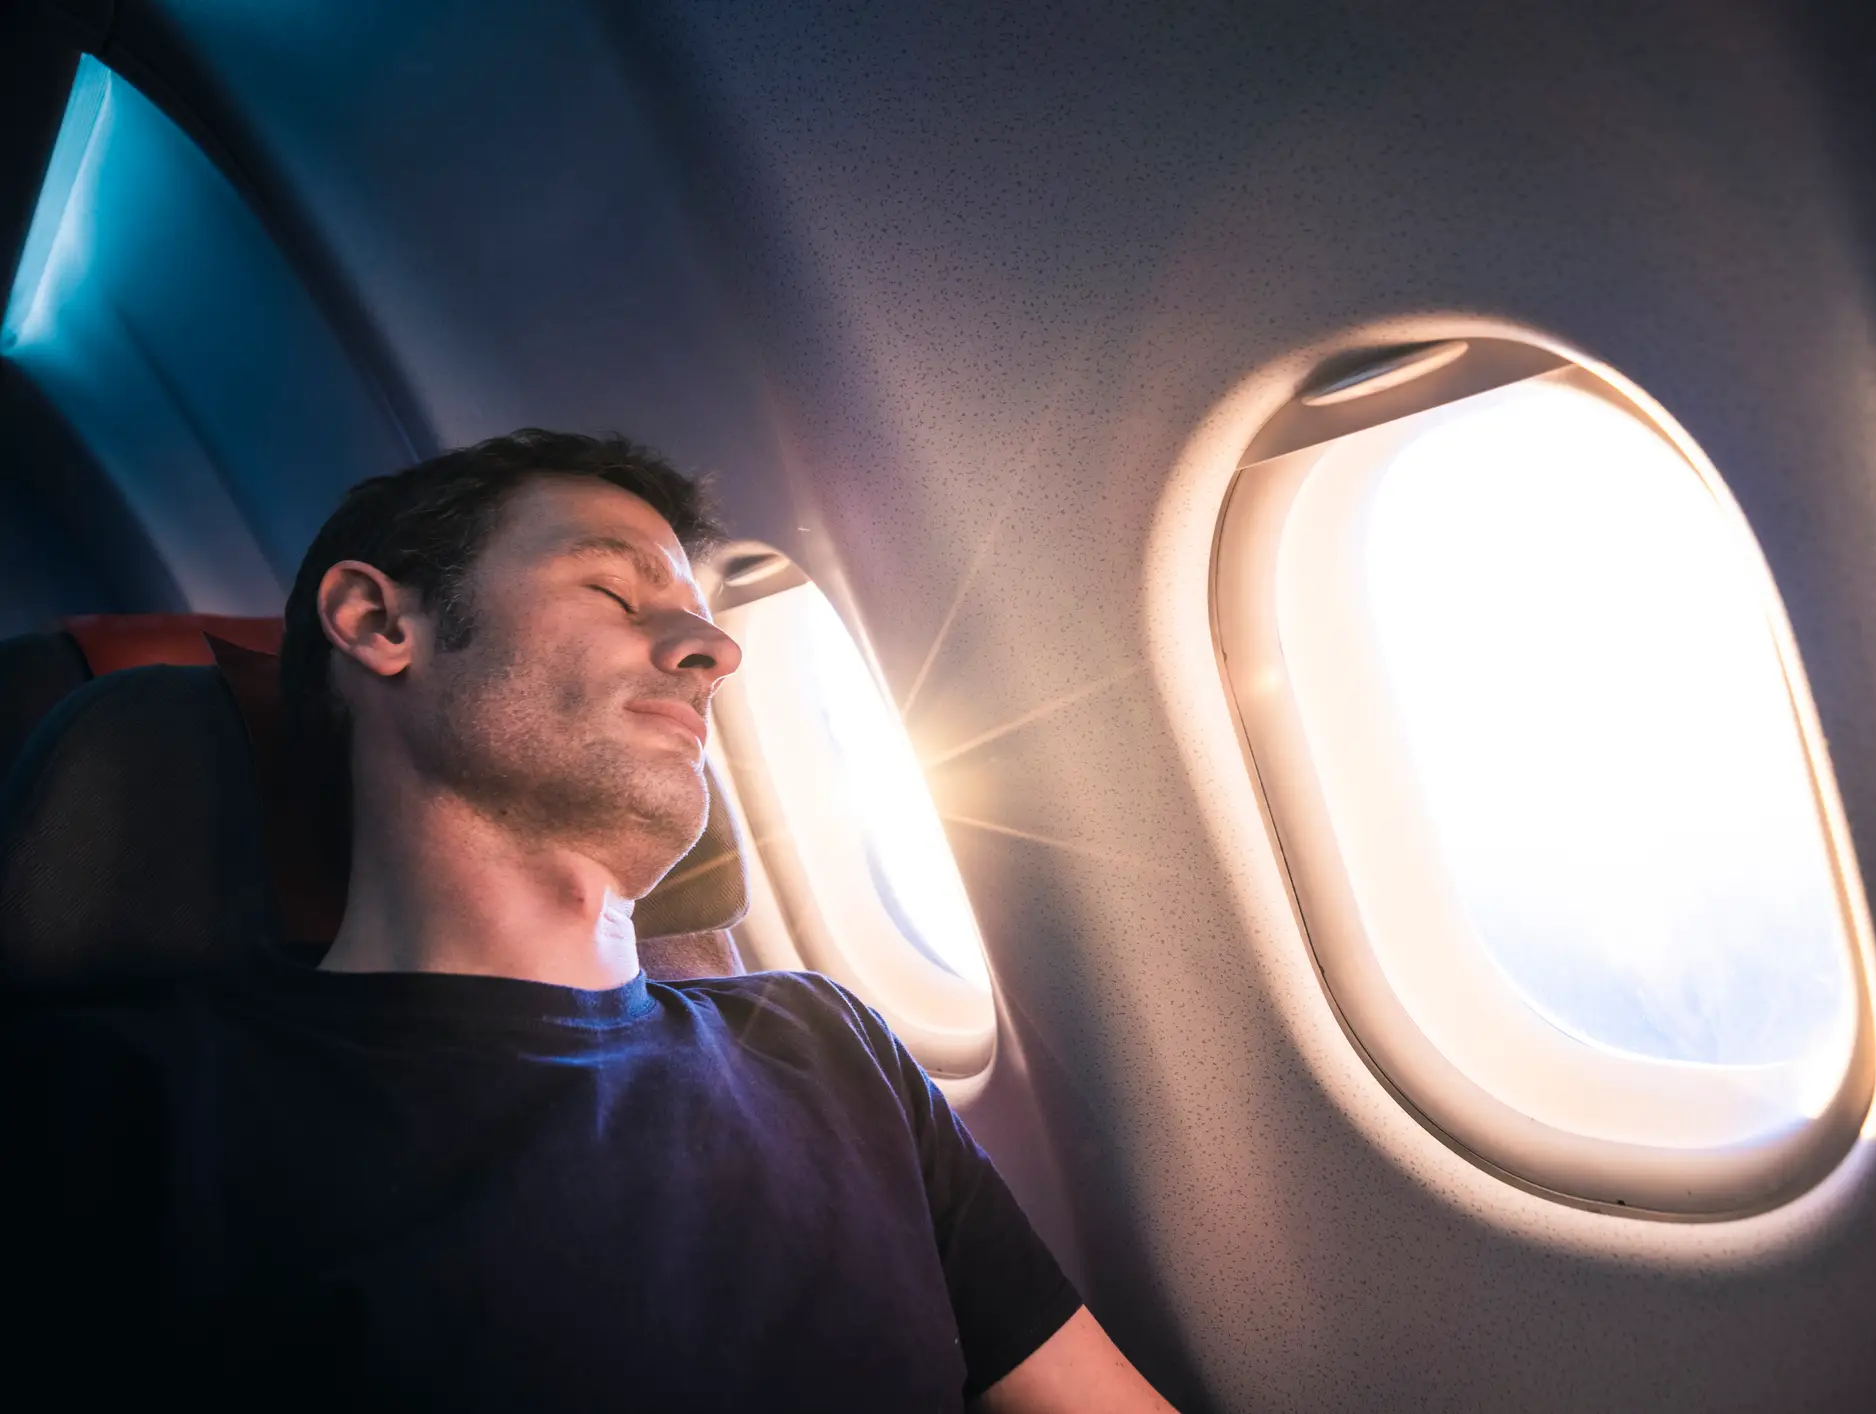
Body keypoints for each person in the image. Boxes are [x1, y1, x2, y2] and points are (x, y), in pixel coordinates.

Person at [0, 430, 1176, 1412]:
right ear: (377, 622)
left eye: (706, 621)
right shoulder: (110, 1112)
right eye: (615, 591)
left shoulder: (833, 1045)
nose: (715, 652)